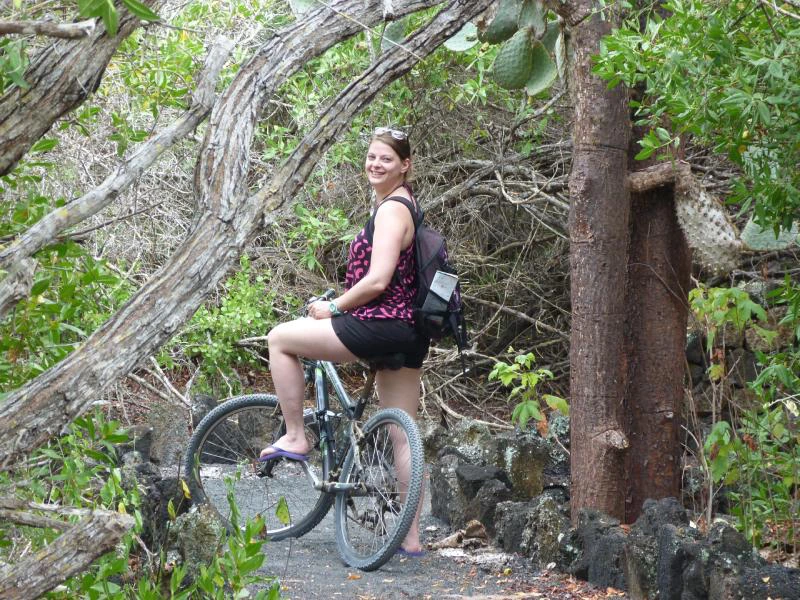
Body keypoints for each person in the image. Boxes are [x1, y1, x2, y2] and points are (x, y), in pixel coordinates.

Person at [260, 127, 429, 556]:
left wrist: (335, 309)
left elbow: (377, 281)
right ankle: (409, 540)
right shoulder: (408, 206)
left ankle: (296, 435)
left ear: (405, 165)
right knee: (403, 435)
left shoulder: (392, 210)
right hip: (409, 330)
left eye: (386, 159)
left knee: (279, 339)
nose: (376, 164)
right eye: (371, 157)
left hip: (377, 323)